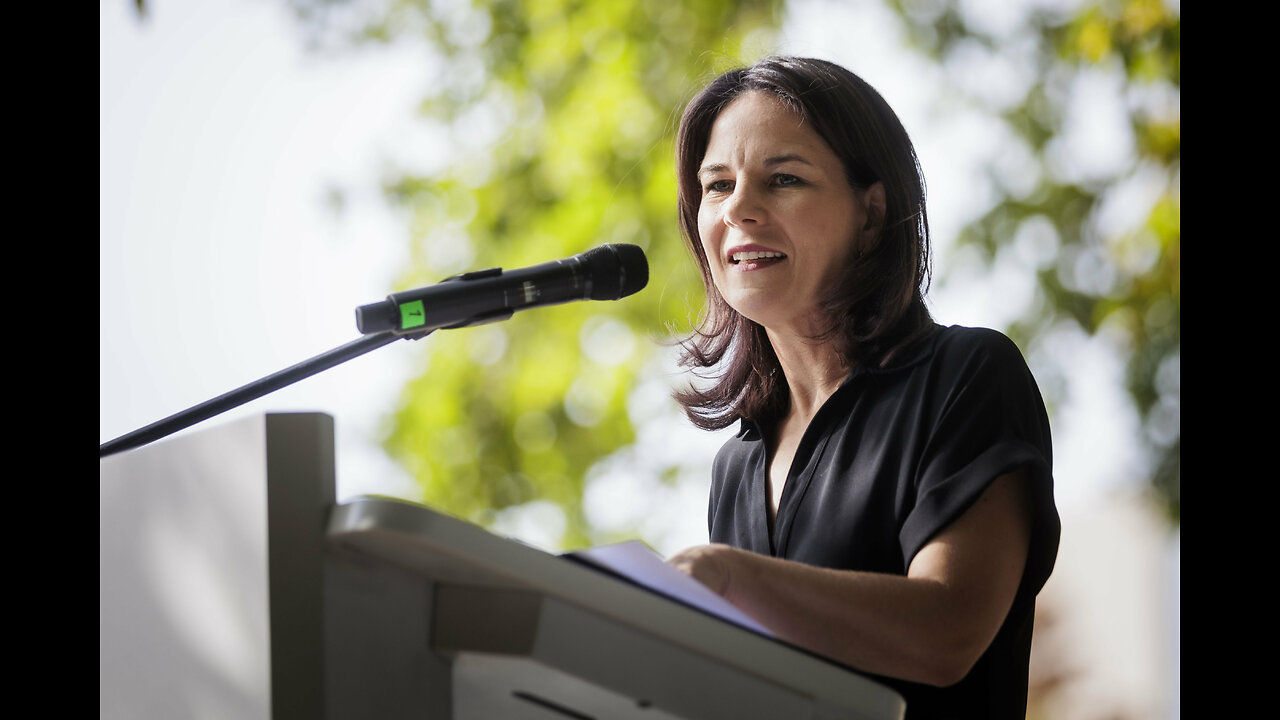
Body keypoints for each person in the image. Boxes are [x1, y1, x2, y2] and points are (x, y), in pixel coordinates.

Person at [665, 56, 1060, 718]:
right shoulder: (737, 468)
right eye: (717, 185)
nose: (740, 210)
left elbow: (948, 632)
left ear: (871, 214)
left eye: (783, 179)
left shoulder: (968, 375)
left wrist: (730, 576)